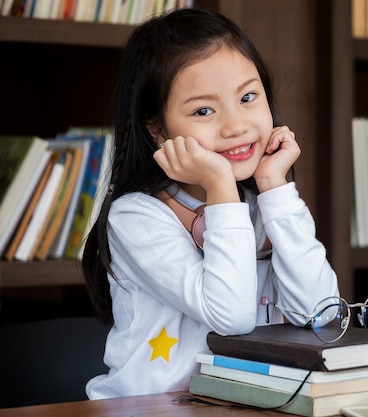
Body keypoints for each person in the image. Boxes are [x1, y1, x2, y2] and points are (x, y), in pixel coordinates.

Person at [81, 7, 339, 399]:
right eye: (204, 110)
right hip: (146, 410)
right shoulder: (137, 215)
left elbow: (321, 312)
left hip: (244, 404)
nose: (235, 126)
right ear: (156, 127)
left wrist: (274, 187)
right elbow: (230, 317)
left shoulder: (265, 204)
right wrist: (219, 185)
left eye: (248, 97)